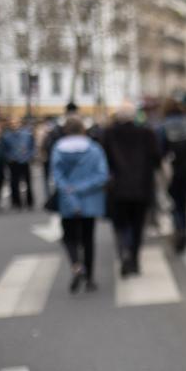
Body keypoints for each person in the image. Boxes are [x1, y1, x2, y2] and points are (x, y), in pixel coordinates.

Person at [50, 117, 108, 293]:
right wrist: (81, 188)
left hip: (67, 201)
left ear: (66, 130)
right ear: (83, 129)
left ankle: (76, 265)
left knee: (69, 237)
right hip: (90, 201)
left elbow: (56, 176)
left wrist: (70, 190)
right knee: (88, 239)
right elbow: (102, 175)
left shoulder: (58, 149)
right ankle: (90, 278)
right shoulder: (94, 149)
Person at [103, 102, 160, 277]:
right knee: (137, 225)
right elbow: (157, 159)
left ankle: (124, 252)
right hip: (141, 187)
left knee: (120, 225)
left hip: (118, 188)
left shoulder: (108, 134)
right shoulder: (146, 133)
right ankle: (134, 258)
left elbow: (103, 161)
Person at [157, 98, 186, 253]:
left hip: (173, 169)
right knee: (185, 200)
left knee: (175, 201)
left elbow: (159, 151)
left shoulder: (163, 126)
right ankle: (184, 229)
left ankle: (179, 229)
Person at [2, 117, 35, 210]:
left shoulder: (27, 133)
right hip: (13, 162)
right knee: (14, 183)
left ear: (20, 123)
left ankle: (29, 202)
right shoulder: (6, 136)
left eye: (16, 123)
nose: (14, 125)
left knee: (28, 182)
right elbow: (4, 150)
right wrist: (9, 158)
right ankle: (16, 202)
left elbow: (32, 146)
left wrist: (30, 156)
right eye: (12, 123)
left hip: (24, 161)